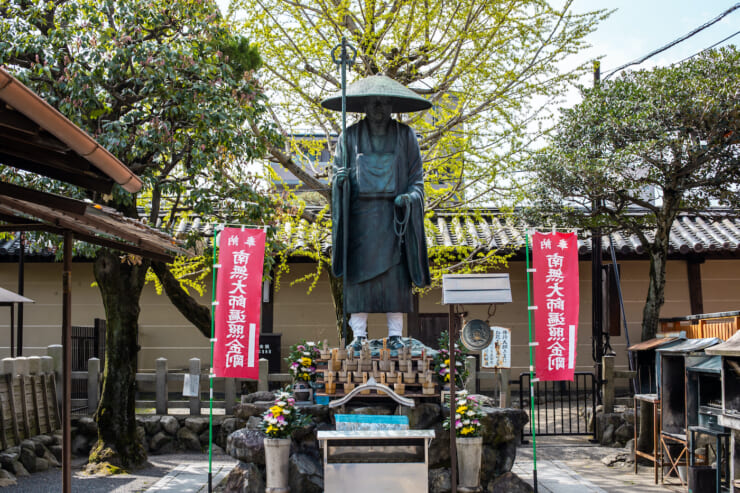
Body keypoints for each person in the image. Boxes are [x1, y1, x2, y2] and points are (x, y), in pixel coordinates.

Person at [322, 75, 431, 352]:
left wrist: (410, 197)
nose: (379, 107)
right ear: (364, 106)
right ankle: (358, 335)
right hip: (360, 221)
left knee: (395, 279)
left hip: (394, 221)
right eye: (374, 102)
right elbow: (336, 175)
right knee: (358, 280)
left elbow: (417, 179)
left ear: (393, 105)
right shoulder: (350, 136)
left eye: (384, 102)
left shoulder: (406, 136)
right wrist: (341, 181)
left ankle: (396, 333)